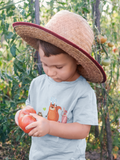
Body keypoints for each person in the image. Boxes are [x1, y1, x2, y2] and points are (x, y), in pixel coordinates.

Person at [13, 10, 106, 160]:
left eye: (58, 67)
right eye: (44, 64)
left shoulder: (82, 92)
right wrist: (21, 116)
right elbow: (29, 109)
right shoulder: (37, 84)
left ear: (76, 60)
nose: (50, 72)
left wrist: (49, 127)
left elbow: (82, 130)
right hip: (38, 156)